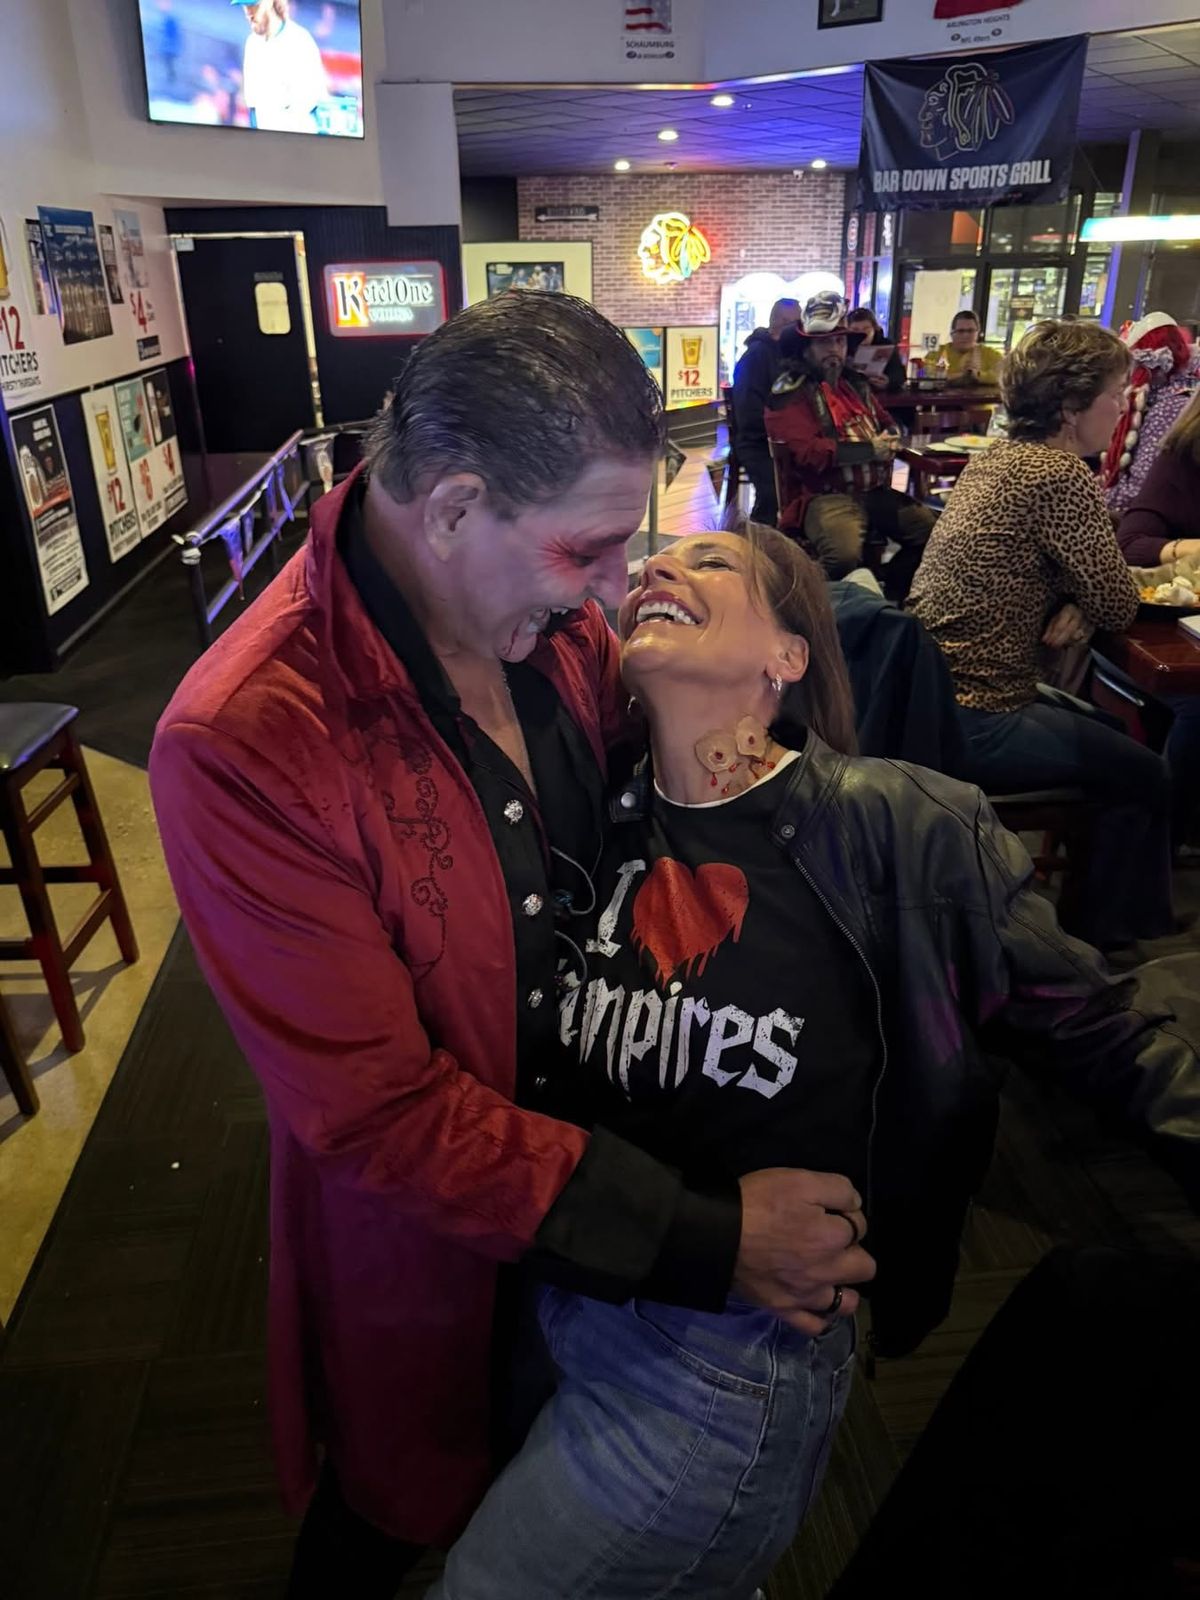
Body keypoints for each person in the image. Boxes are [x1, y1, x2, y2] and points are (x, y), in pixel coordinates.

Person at [148, 293, 876, 1597]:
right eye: (586, 549)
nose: (612, 587)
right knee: (395, 1514)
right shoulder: (248, 738)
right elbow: (376, 1114)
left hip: (607, 1226)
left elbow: (644, 840)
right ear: (453, 507)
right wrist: (710, 1238)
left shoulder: (556, 628)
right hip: (438, 1259)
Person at [428, 521, 1200, 1600]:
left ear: (787, 657)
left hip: (722, 1367)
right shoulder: (595, 825)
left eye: (711, 564)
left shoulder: (900, 828)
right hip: (573, 1299)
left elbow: (1103, 1031)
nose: (658, 567)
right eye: (657, 563)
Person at [910, 318, 1174, 950]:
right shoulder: (1060, 475)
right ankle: (1100, 937)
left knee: (1113, 736)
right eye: (1114, 394)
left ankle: (1106, 907)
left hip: (929, 699)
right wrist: (1089, 601)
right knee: (1147, 775)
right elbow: (1117, 601)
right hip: (980, 715)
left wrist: (1078, 602)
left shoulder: (995, 460)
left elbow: (1077, 587)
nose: (1122, 406)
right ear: (1070, 408)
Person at [765, 291, 935, 601]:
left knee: (933, 533)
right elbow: (809, 454)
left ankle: (887, 597)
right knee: (842, 556)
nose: (834, 349)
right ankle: (811, 609)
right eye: (824, 343)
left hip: (874, 492)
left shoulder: (854, 384)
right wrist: (871, 450)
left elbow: (887, 422)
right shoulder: (790, 392)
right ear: (806, 348)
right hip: (824, 495)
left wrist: (891, 434)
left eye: (840, 341)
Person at [1117, 386, 1200, 846]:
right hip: (1170, 635)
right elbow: (1132, 544)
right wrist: (1192, 549)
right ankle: (1166, 844)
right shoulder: (1185, 453)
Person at [1102, 312, 1200, 517]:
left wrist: (1098, 498)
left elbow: (1143, 487)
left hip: (1141, 520)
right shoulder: (1167, 401)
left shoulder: (1168, 408)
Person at [731, 296, 801, 525]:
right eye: (796, 323)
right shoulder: (757, 356)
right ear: (779, 322)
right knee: (776, 492)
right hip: (758, 443)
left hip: (787, 441)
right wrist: (782, 431)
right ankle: (760, 537)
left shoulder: (790, 355)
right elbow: (749, 414)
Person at [236, 0, 329, 134]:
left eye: (253, 6)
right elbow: (252, 104)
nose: (248, 13)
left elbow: (313, 103)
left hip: (299, 139)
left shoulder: (300, 40)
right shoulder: (252, 43)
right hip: (265, 141)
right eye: (245, 6)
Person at [846, 305, 906, 392]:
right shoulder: (844, 346)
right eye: (855, 329)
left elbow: (899, 374)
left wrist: (888, 381)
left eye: (866, 329)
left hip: (879, 394)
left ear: (874, 329)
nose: (861, 333)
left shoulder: (885, 345)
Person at [934, 309, 1003, 384]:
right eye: (961, 331)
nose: (965, 335)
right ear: (952, 333)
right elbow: (927, 376)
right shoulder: (937, 352)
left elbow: (1003, 376)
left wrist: (977, 374)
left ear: (977, 333)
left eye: (970, 331)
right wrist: (962, 374)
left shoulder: (991, 354)